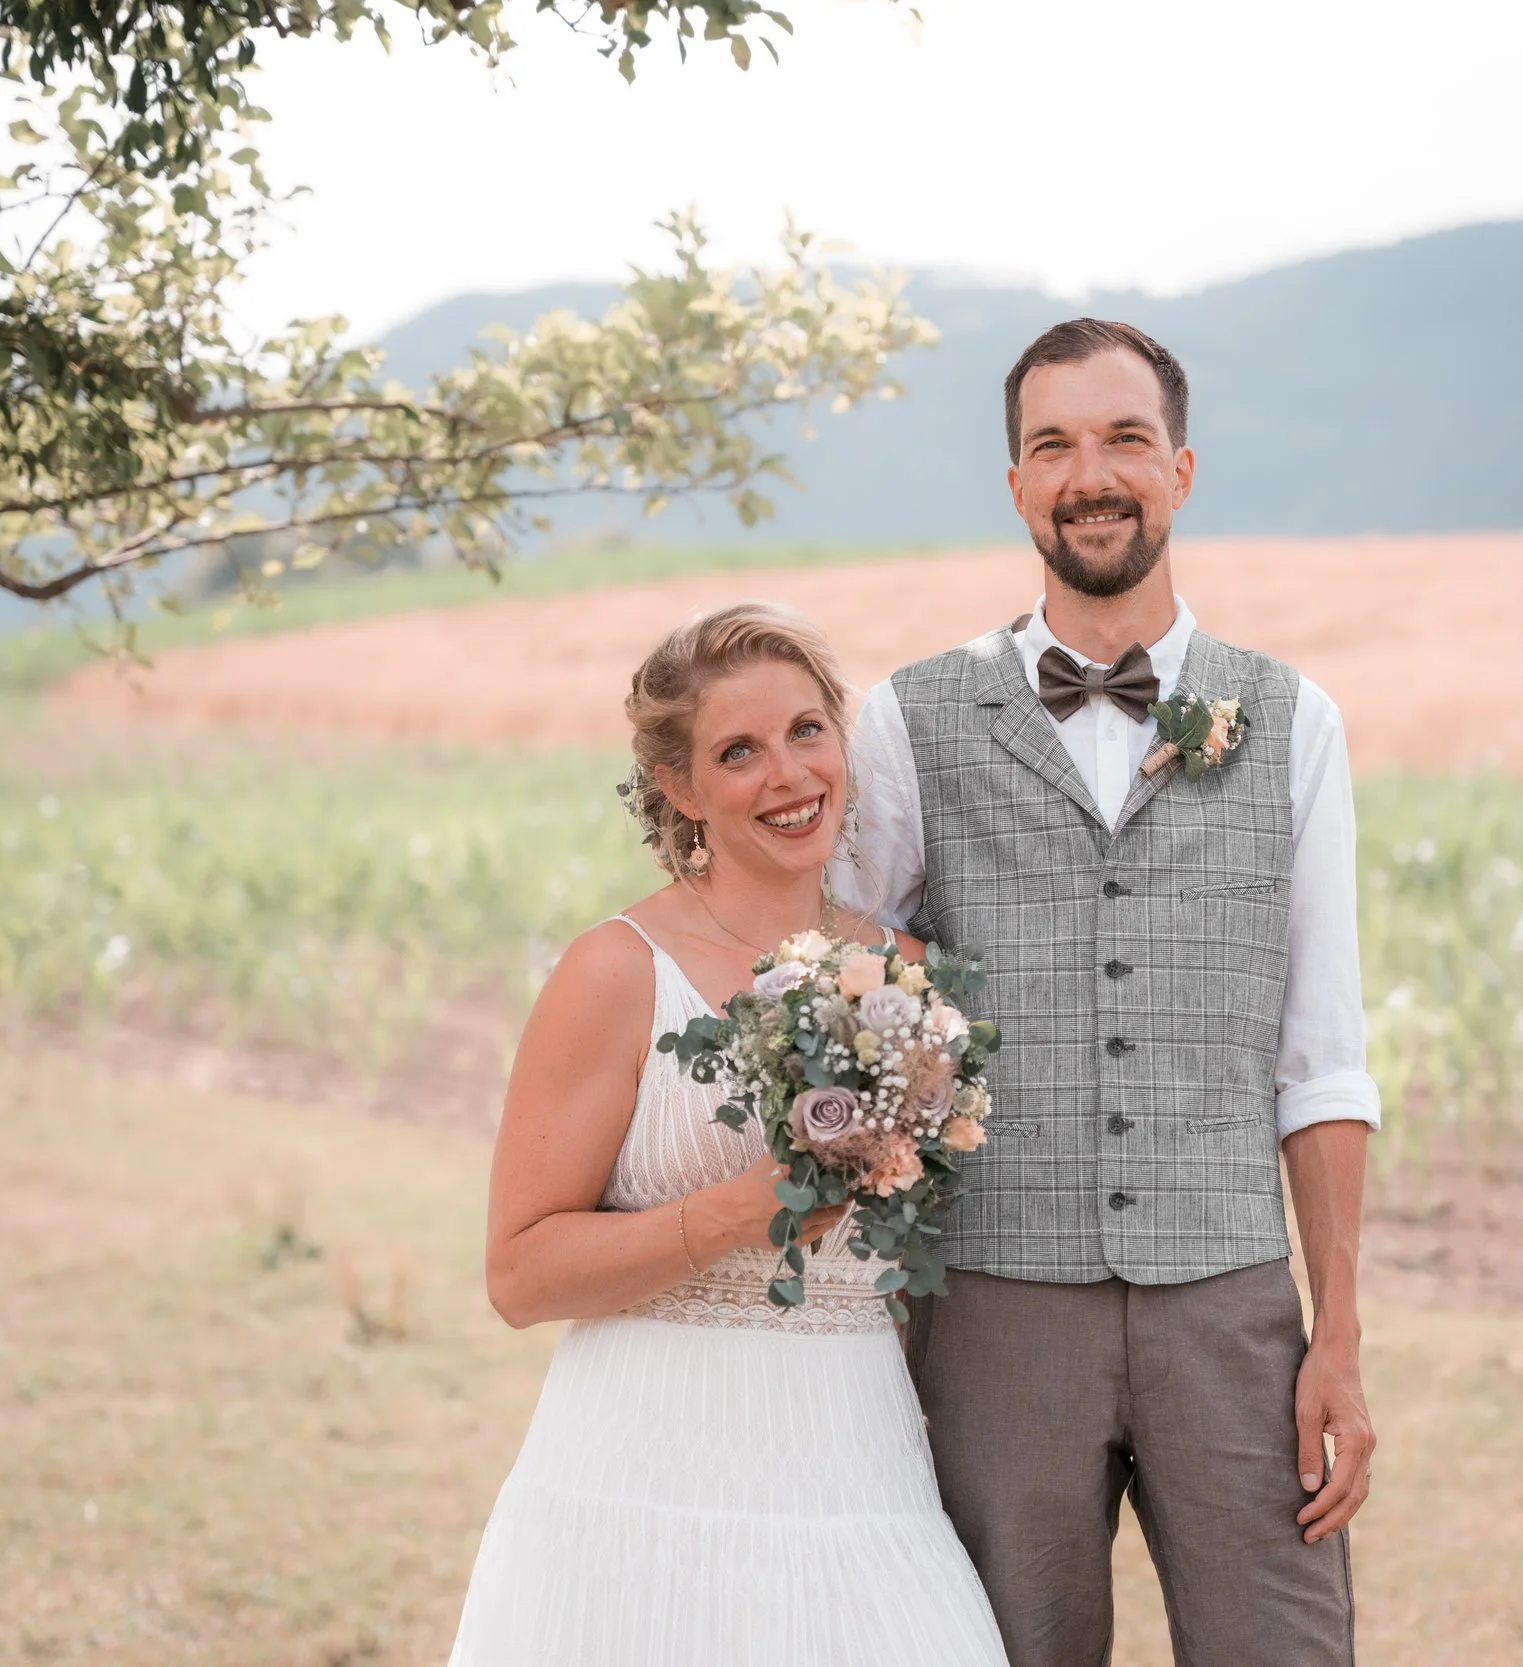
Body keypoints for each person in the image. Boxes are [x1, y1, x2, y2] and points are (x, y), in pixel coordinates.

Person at [832, 318, 1380, 1667]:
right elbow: (846, 1015)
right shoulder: (905, 721)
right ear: (1017, 483)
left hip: (1231, 1307)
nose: (1092, 475)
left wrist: (1339, 1335)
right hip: (990, 1310)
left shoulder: (1293, 721)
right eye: (1055, 445)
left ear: (1180, 469)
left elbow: (1320, 1056)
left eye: (1125, 438)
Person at [446, 603, 1008, 1666]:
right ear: (681, 787)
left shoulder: (913, 980)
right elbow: (518, 1275)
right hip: (637, 1475)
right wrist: (734, 1216)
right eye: (737, 751)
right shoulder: (618, 970)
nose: (788, 774)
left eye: (806, 730)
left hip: (860, 1465)